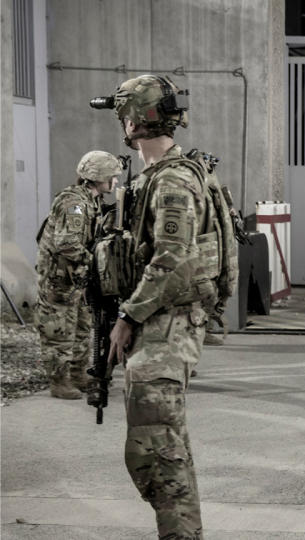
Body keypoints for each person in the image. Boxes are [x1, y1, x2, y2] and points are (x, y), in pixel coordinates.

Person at [96, 74, 211, 539]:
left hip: (165, 325)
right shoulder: (158, 177)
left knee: (156, 452)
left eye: (123, 113)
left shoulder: (172, 183)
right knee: (167, 448)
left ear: (134, 120)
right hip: (162, 322)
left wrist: (128, 316)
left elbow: (172, 257)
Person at [35, 150, 122, 399]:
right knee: (59, 330)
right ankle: (59, 381)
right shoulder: (74, 203)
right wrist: (95, 261)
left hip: (76, 279)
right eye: (112, 176)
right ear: (98, 177)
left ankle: (77, 374)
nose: (115, 180)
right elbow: (68, 243)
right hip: (59, 280)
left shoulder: (91, 201)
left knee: (83, 327)